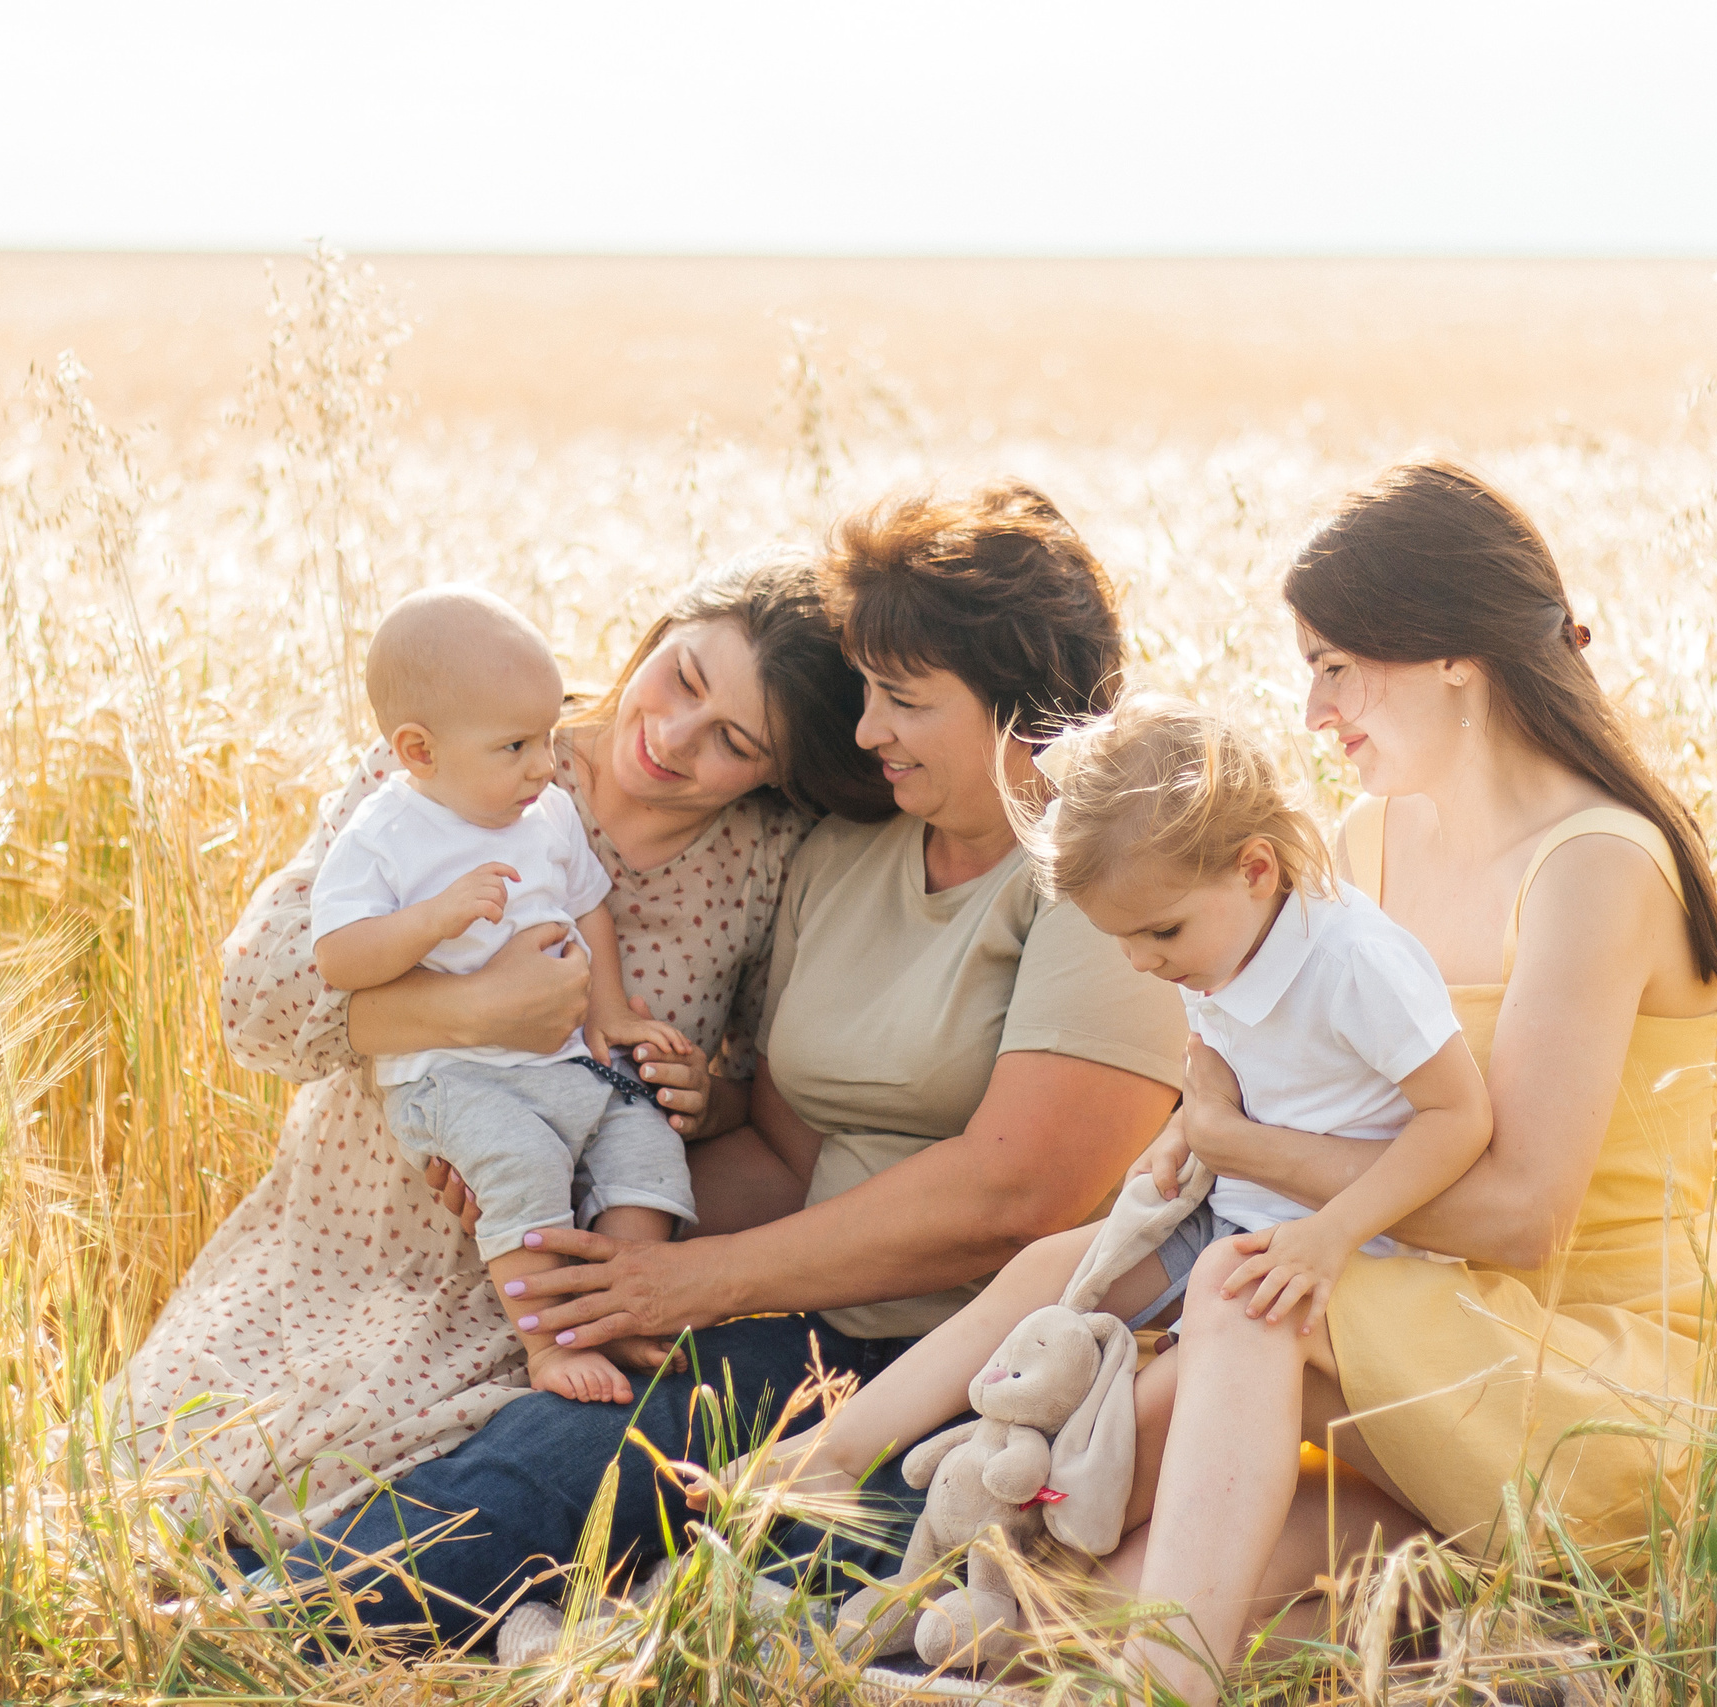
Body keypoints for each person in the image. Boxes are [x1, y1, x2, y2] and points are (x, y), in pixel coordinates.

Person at [274, 480, 1189, 1640]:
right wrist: (581, 1219)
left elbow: (1021, 1193)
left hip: (964, 1350)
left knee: (693, 1535)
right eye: (865, 695)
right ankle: (268, 1615)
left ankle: (291, 1626)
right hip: (784, 1311)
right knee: (535, 1457)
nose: (865, 734)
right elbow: (787, 1146)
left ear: (1024, 712)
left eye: (904, 702)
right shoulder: (850, 850)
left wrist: (689, 1283)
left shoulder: (1104, 875)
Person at [1114, 461, 1717, 1704]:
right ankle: (1462, 1607)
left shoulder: (1594, 866)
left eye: (1337, 664)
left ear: (1452, 653)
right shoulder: (1364, 841)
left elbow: (1521, 1217)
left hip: (1581, 1381)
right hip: (1402, 1351)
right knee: (1041, 1622)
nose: (1311, 710)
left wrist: (1248, 1151)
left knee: (1247, 1300)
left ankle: (1167, 1685)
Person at [106, 545, 886, 1544]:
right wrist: (468, 1016)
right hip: (345, 1247)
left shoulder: (767, 863)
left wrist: (701, 1097)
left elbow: (753, 1093)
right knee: (138, 1524)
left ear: (777, 773)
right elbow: (255, 1004)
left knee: (386, 1558)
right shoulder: (462, 755)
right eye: (681, 676)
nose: (676, 735)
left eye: (733, 740)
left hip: (550, 1290)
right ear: (658, 634)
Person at [744, 694, 1492, 1495]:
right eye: (1121, 940)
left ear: (1256, 868)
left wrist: (1335, 1232)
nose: (1141, 961)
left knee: (1131, 1422)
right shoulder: (1215, 936)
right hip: (1236, 1212)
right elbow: (1226, 1054)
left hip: (1336, 1249)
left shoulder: (1354, 964)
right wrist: (1176, 1140)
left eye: (1158, 934)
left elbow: (1460, 1118)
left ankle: (995, 1558)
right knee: (1043, 1273)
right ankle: (839, 1449)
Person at [311, 586, 698, 1403]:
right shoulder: (385, 835)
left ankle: (616, 1306)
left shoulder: (548, 812)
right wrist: (432, 919)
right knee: (524, 1164)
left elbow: (588, 901)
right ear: (418, 751)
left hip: (563, 1064)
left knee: (647, 1145)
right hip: (452, 1078)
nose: (544, 764)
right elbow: (340, 957)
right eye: (516, 744)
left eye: (550, 736)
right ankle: (549, 1343)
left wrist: (615, 1012)